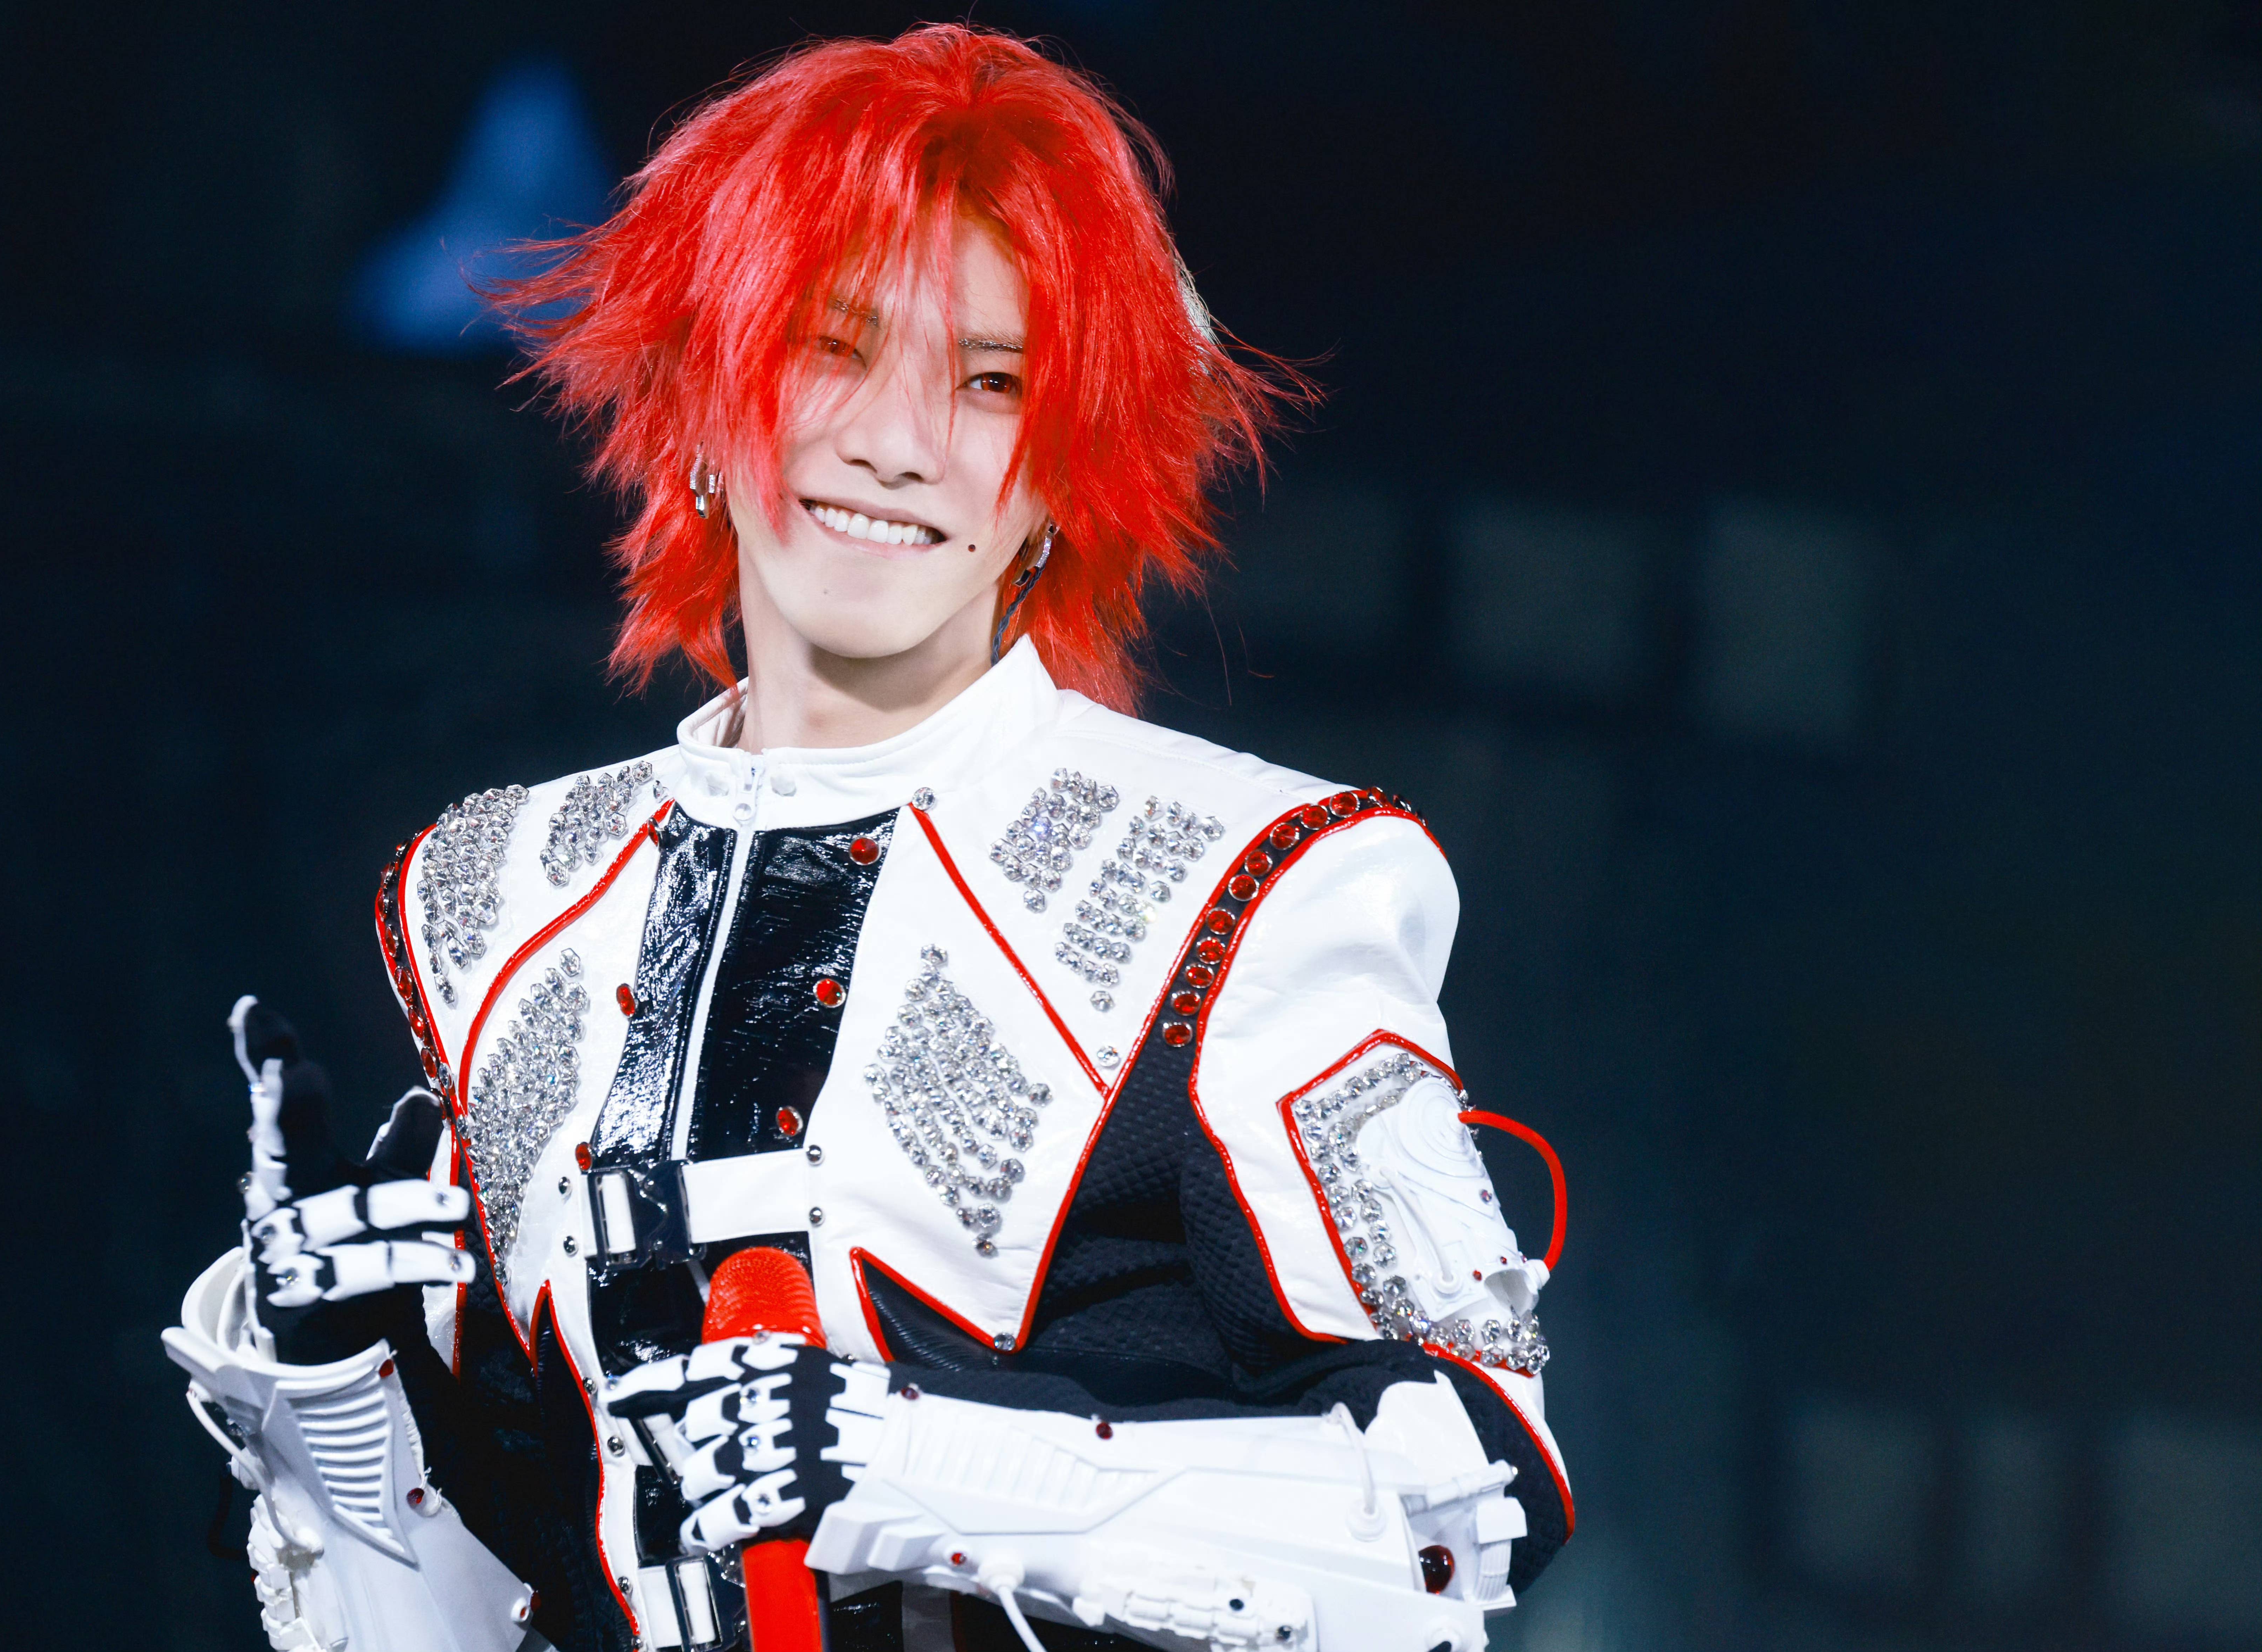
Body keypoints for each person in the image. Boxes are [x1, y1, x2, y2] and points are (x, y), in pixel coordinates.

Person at [164, 25, 1572, 1652]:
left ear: (1062, 472)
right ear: (706, 392)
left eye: (989, 382)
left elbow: (1462, 1510)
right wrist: (329, 1390)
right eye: (832, 349)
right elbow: (479, 1603)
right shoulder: (493, 899)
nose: (896, 442)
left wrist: (909, 1467)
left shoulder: (1246, 881)